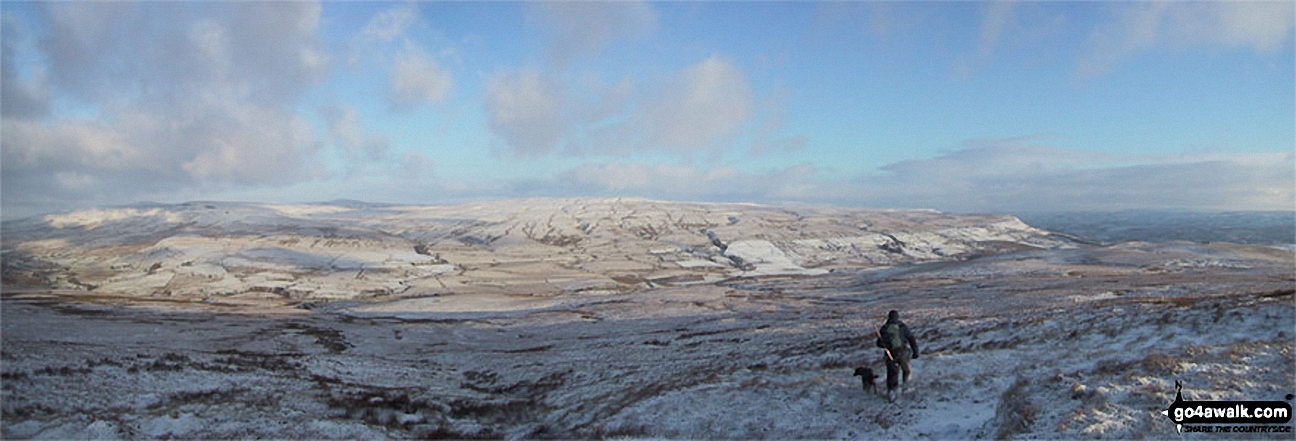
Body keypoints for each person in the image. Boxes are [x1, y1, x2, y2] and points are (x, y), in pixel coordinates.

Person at [875, 309, 920, 402]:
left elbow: (879, 343)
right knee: (906, 370)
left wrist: (883, 344)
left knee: (892, 373)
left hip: (890, 354)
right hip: (903, 352)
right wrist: (915, 351)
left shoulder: (884, 328)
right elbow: (911, 338)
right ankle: (906, 387)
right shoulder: (902, 326)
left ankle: (892, 392)